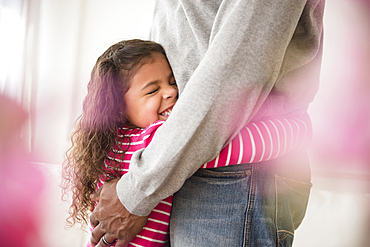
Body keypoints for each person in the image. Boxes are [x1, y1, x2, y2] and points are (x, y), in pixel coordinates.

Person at [90, 1, 325, 247]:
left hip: (224, 167)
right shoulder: (138, 147)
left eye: (171, 82)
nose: (171, 91)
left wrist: (136, 190)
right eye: (152, 90)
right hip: (186, 159)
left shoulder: (148, 149)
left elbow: (241, 62)